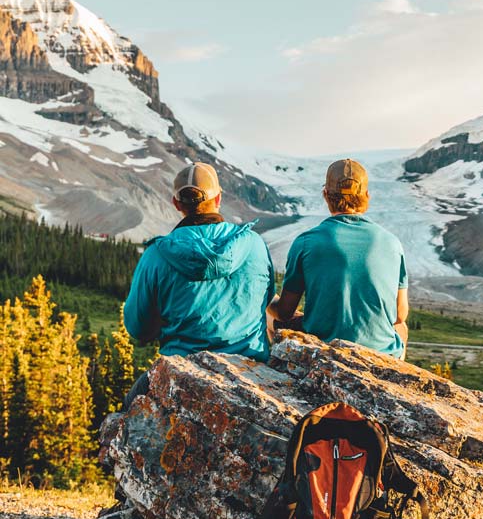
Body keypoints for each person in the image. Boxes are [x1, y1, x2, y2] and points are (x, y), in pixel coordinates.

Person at [122, 162, 275, 407]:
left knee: (127, 411)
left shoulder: (156, 255)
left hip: (181, 373)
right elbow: (266, 300)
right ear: (219, 198)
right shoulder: (254, 244)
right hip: (251, 371)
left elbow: (138, 328)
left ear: (177, 204)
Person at [268, 158, 409, 359]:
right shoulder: (392, 243)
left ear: (326, 195)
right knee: (402, 328)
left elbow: (284, 313)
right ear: (367, 195)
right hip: (381, 354)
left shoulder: (306, 242)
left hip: (323, 350)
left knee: (271, 318)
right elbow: (399, 315)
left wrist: (266, 297)